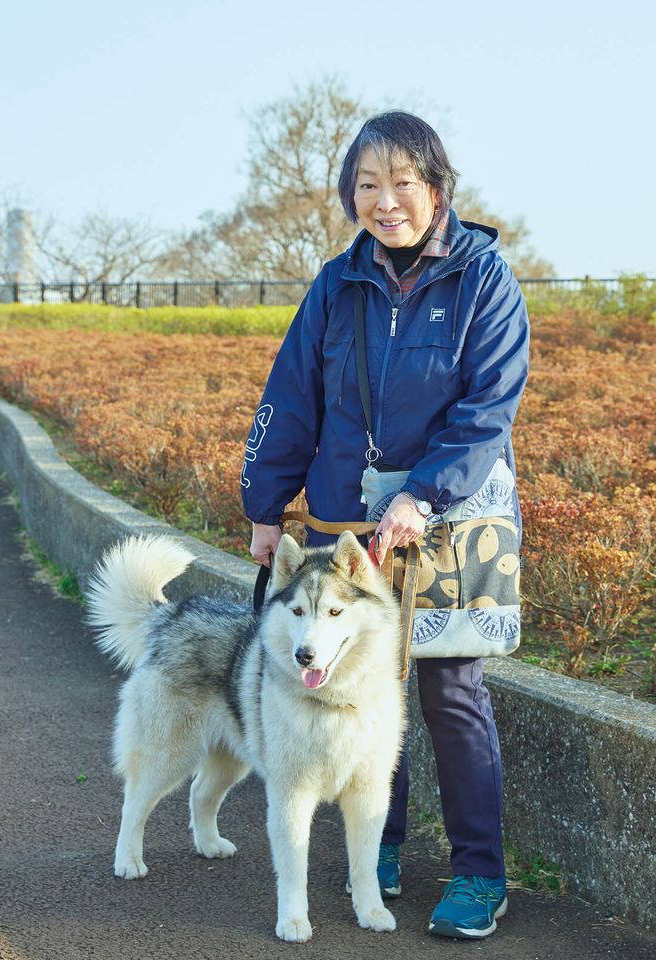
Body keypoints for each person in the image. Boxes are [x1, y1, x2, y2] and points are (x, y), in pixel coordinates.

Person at [241, 110, 529, 940]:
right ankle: (383, 848)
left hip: (453, 515)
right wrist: (266, 505)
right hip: (346, 515)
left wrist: (425, 492)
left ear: (437, 189)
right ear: (350, 196)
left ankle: (480, 873)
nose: (386, 200)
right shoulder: (336, 284)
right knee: (359, 679)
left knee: (451, 687)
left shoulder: (483, 277)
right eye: (367, 184)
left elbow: (488, 407)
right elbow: (291, 395)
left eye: (404, 182)